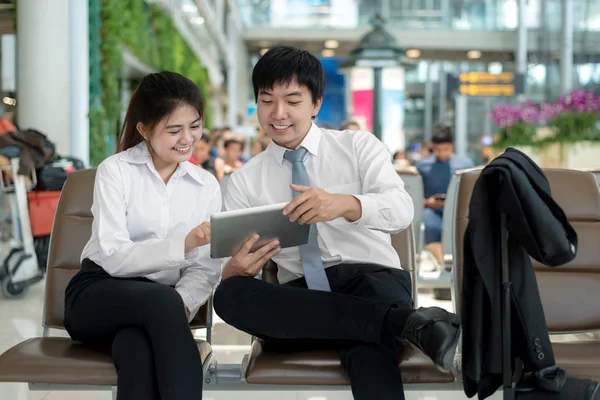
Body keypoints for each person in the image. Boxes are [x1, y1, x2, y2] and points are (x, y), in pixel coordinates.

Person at [213, 46, 461, 400]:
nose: (278, 113)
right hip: (301, 295)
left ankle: (383, 321)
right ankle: (405, 324)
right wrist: (236, 268)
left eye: (292, 101)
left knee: (367, 348)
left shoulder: (357, 146)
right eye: (266, 101)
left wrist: (344, 205)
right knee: (230, 294)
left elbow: (401, 210)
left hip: (371, 279)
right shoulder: (243, 181)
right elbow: (235, 271)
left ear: (315, 104)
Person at [63, 71, 222, 400]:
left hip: (159, 310)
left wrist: (179, 307)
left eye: (194, 126)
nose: (187, 139)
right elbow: (113, 255)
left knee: (137, 350)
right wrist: (184, 244)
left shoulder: (206, 185)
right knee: (160, 302)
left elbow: (205, 268)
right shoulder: (116, 171)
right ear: (144, 129)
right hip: (98, 293)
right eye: (173, 130)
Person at [416, 123, 475, 245]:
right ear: (432, 147)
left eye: (446, 149)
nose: (442, 154)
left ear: (452, 146)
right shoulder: (423, 166)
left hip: (458, 211)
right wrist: (427, 203)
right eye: (438, 150)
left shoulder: (466, 165)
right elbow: (416, 196)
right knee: (429, 226)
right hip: (432, 212)